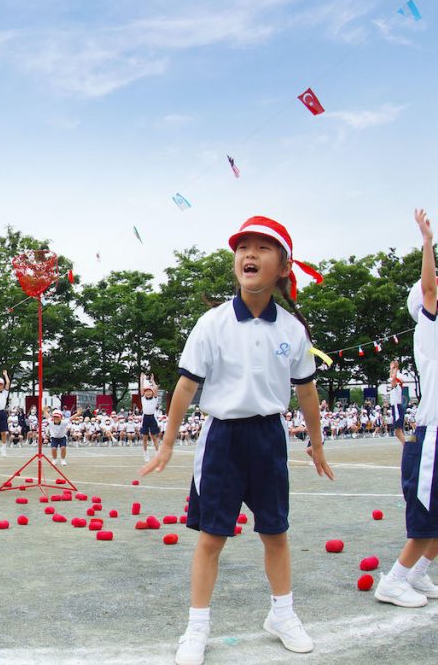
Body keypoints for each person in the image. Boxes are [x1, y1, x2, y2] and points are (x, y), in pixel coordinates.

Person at [140, 215, 334, 665]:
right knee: (212, 537)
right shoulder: (212, 324)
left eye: (263, 248)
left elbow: (306, 391)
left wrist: (317, 443)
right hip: (222, 439)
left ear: (284, 266)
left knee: (276, 532)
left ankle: (282, 614)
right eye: (243, 247)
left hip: (269, 437)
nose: (249, 254)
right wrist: (167, 444)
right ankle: (197, 627)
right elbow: (185, 388)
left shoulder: (292, 330)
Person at [373, 209, 438, 608]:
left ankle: (418, 574)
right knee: (426, 519)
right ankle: (394, 580)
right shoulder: (429, 325)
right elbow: (428, 290)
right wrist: (428, 243)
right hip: (433, 438)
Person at [139, 373, 161, 463]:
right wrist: (142, 379)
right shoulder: (143, 398)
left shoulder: (155, 398)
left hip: (152, 418)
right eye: (146, 391)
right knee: (144, 437)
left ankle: (157, 454)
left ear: (152, 392)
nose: (148, 392)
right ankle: (145, 453)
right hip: (145, 418)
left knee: (154, 437)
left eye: (150, 391)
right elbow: (141, 389)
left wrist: (152, 381)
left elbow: (155, 388)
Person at [389, 360, 407, 445]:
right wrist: (392, 368)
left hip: (396, 407)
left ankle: (407, 446)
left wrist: (395, 368)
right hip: (396, 408)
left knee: (398, 431)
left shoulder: (397, 387)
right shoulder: (396, 387)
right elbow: (391, 377)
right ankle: (406, 446)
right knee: (398, 431)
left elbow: (393, 379)